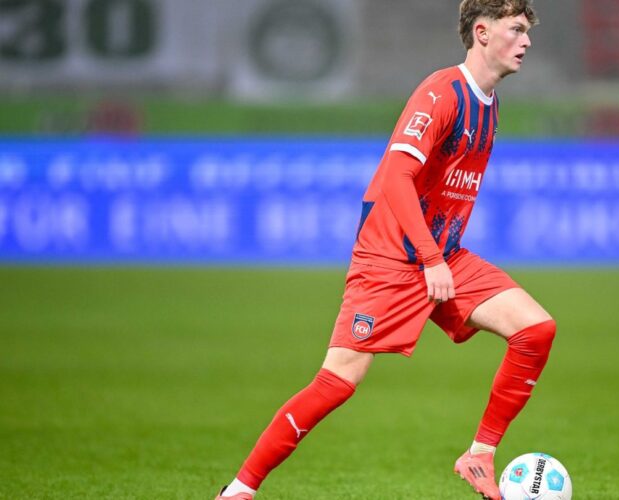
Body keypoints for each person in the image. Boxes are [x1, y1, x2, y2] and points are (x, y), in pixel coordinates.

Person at [217, 1, 553, 499]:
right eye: (517, 30)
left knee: (535, 329)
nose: (526, 42)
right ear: (482, 33)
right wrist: (431, 258)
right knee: (337, 382)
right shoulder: (443, 93)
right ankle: (240, 490)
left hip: (443, 254)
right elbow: (396, 174)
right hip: (392, 258)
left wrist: (440, 256)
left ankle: (480, 454)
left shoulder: (490, 105)